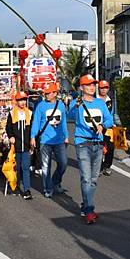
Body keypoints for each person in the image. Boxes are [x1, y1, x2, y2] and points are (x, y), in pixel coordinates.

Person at [68, 74, 113, 224]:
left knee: (94, 179)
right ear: (81, 88)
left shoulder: (100, 103)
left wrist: (103, 126)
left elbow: (109, 119)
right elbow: (71, 115)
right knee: (86, 178)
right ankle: (89, 209)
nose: (92, 87)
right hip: (83, 144)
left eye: (94, 84)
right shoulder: (77, 103)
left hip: (98, 143)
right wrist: (76, 104)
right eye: (88, 85)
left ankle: (85, 204)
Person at [30, 83, 68, 198]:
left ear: (55, 93)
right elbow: (36, 122)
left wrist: (66, 135)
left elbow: (63, 122)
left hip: (59, 140)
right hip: (45, 141)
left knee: (63, 163)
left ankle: (56, 182)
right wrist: (33, 136)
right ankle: (48, 188)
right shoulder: (41, 106)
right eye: (45, 93)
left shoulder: (61, 105)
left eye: (48, 93)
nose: (46, 95)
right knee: (46, 167)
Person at [5, 91, 33, 200]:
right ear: (16, 101)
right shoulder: (12, 113)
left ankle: (27, 189)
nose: (22, 102)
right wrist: (11, 136)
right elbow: (8, 127)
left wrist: (32, 142)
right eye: (20, 100)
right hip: (15, 146)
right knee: (16, 167)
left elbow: (32, 130)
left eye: (24, 100)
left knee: (25, 167)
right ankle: (15, 186)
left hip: (26, 146)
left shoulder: (30, 113)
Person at [97, 80, 122, 176]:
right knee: (99, 148)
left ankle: (107, 166)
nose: (103, 90)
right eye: (101, 87)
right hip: (97, 127)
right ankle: (98, 167)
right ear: (98, 88)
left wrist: (119, 125)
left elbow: (115, 113)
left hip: (109, 127)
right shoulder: (95, 99)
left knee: (110, 148)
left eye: (106, 87)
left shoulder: (111, 100)